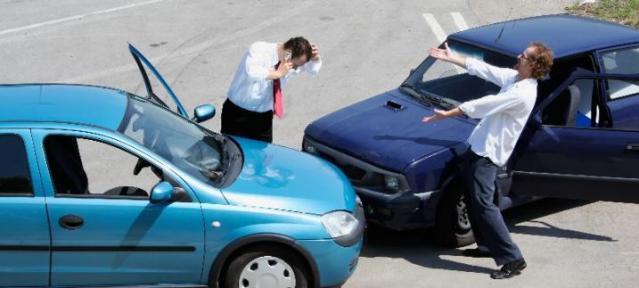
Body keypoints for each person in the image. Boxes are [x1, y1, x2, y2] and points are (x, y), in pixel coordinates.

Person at [422, 42, 553, 279]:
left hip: (487, 155)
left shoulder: (522, 93)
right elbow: (485, 69)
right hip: (479, 148)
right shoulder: (515, 78)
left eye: (523, 56)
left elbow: (484, 104)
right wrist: (452, 58)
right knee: (478, 199)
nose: (518, 56)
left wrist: (449, 113)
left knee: (484, 205)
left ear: (533, 65)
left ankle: (513, 259)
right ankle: (486, 246)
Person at [221, 36, 321, 143]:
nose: (296, 69)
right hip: (237, 114)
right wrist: (277, 74)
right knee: (231, 153)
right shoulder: (259, 49)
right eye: (295, 65)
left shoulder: (288, 61)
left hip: (263, 119)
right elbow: (251, 72)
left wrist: (315, 59)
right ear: (289, 53)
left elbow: (312, 71)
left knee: (264, 155)